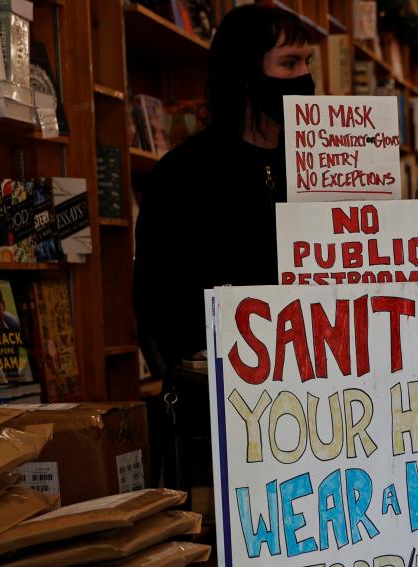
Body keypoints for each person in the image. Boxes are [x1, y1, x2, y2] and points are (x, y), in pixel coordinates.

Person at [132, 5, 315, 378]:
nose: (306, 77)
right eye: (289, 63)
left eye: (307, 62)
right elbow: (155, 303)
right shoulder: (182, 173)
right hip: (221, 388)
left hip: (318, 379)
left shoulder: (318, 165)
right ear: (246, 73)